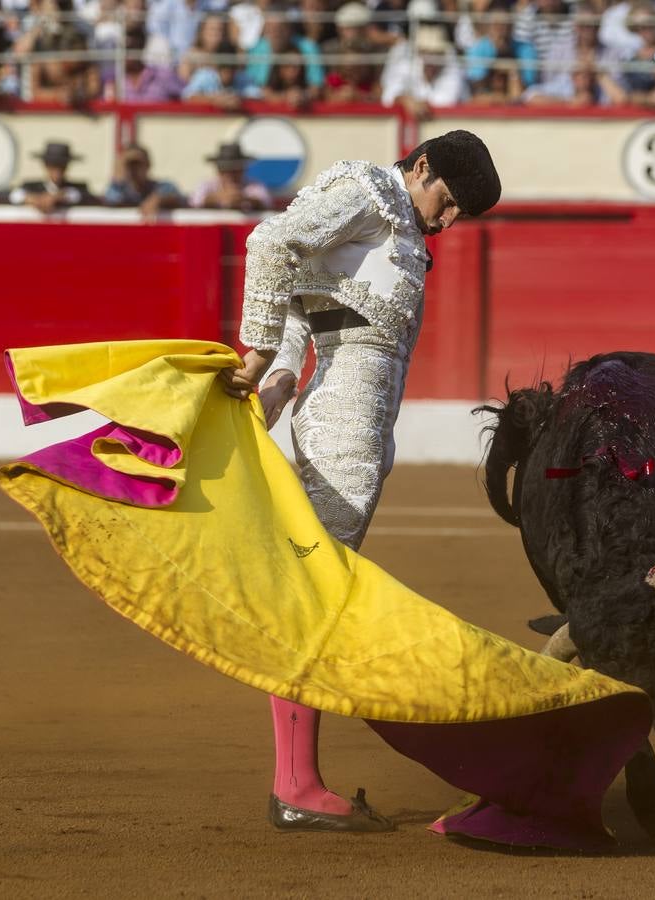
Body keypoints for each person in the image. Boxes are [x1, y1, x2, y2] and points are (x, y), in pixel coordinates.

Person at [218, 130, 500, 832]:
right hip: (344, 422)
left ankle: (299, 780)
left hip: (356, 418)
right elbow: (272, 245)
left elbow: (311, 296)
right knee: (318, 599)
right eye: (447, 199)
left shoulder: (395, 222)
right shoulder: (372, 192)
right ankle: (296, 784)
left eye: (462, 212)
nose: (449, 219)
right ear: (422, 165)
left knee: (319, 594)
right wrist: (257, 358)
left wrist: (284, 368)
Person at [5, 140, 97, 211]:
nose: (57, 171)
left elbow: (88, 197)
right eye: (53, 166)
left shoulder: (79, 188)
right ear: (46, 166)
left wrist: (59, 196)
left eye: (61, 167)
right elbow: (7, 195)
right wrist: (32, 199)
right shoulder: (30, 186)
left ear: (66, 167)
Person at [104, 144, 184, 219]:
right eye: (129, 164)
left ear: (148, 165)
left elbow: (176, 197)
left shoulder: (163, 187)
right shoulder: (118, 189)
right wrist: (118, 172)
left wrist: (159, 200)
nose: (133, 169)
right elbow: (111, 200)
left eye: (138, 164)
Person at [189, 141, 271, 211]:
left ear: (242, 169)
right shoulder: (207, 184)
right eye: (225, 170)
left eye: (235, 170)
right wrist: (218, 197)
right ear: (219, 170)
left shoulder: (254, 185)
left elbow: (265, 202)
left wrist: (243, 199)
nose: (230, 175)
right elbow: (195, 201)